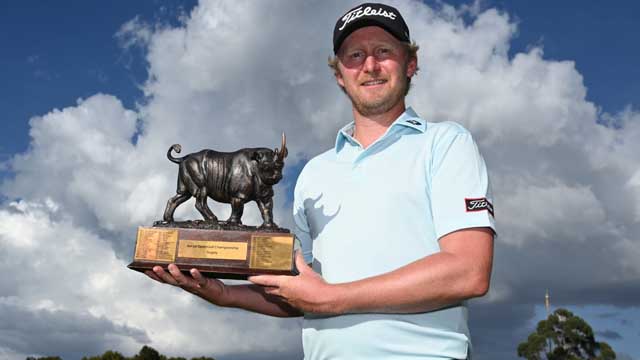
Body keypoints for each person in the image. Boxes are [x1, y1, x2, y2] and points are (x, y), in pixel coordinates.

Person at [145, 3, 495, 359]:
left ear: (411, 64)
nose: (370, 65)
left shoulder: (446, 143)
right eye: (355, 55)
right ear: (339, 75)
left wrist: (333, 299)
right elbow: (303, 293)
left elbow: (468, 272)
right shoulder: (314, 172)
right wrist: (225, 295)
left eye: (384, 51)